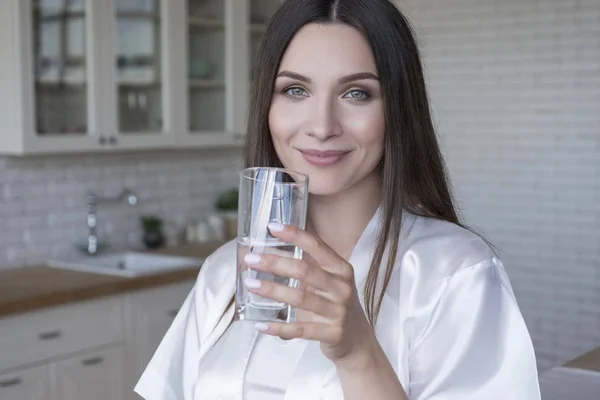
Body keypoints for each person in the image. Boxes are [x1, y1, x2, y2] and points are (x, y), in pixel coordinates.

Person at [134, 0, 541, 399]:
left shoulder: (454, 273)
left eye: (357, 94)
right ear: (267, 107)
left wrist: (358, 353)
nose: (322, 126)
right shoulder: (227, 271)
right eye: (295, 90)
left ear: (398, 109)